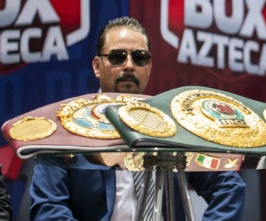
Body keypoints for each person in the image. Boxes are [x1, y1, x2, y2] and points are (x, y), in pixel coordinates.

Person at [29, 16, 246, 221]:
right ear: (97, 66)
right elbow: (48, 209)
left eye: (140, 58)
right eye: (117, 57)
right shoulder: (65, 130)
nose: (129, 65)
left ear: (149, 67)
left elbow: (228, 186)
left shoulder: (177, 125)